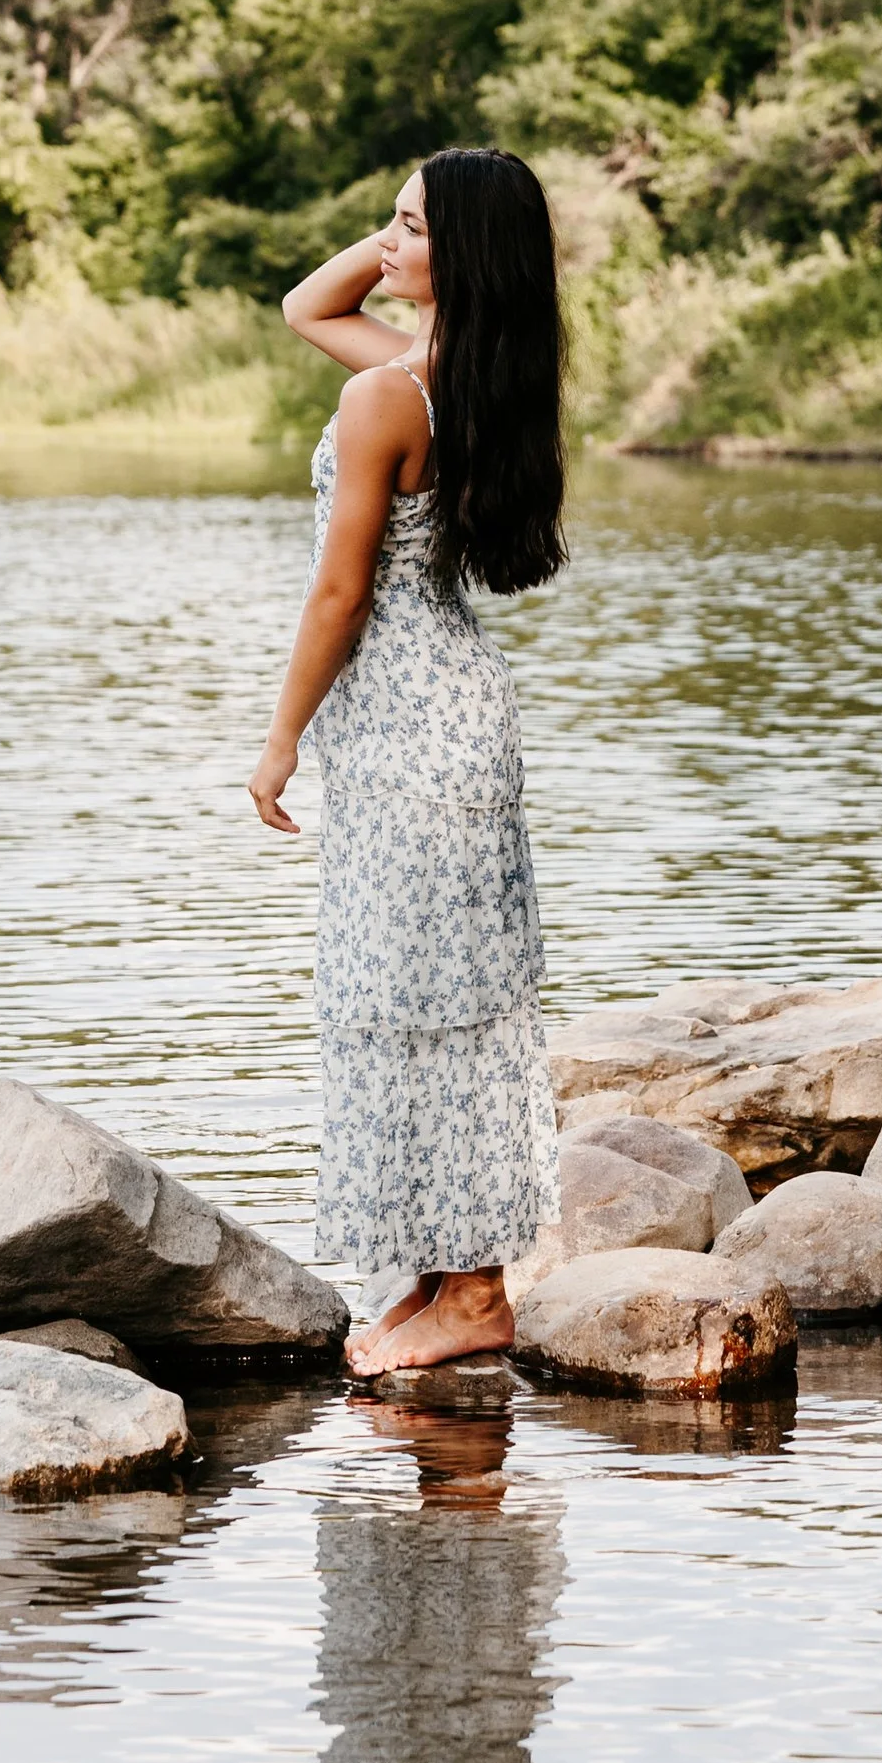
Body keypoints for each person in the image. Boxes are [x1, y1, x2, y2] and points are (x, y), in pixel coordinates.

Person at [249, 146, 568, 1375]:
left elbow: (339, 592)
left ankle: (475, 1289)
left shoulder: (392, 395)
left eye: (413, 229)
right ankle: (443, 1273)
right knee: (422, 996)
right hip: (444, 705)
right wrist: (400, 232)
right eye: (388, 221)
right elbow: (305, 308)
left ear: (470, 258)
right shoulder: (449, 375)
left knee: (420, 1003)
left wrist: (279, 737)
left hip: (406, 719)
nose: (385, 246)